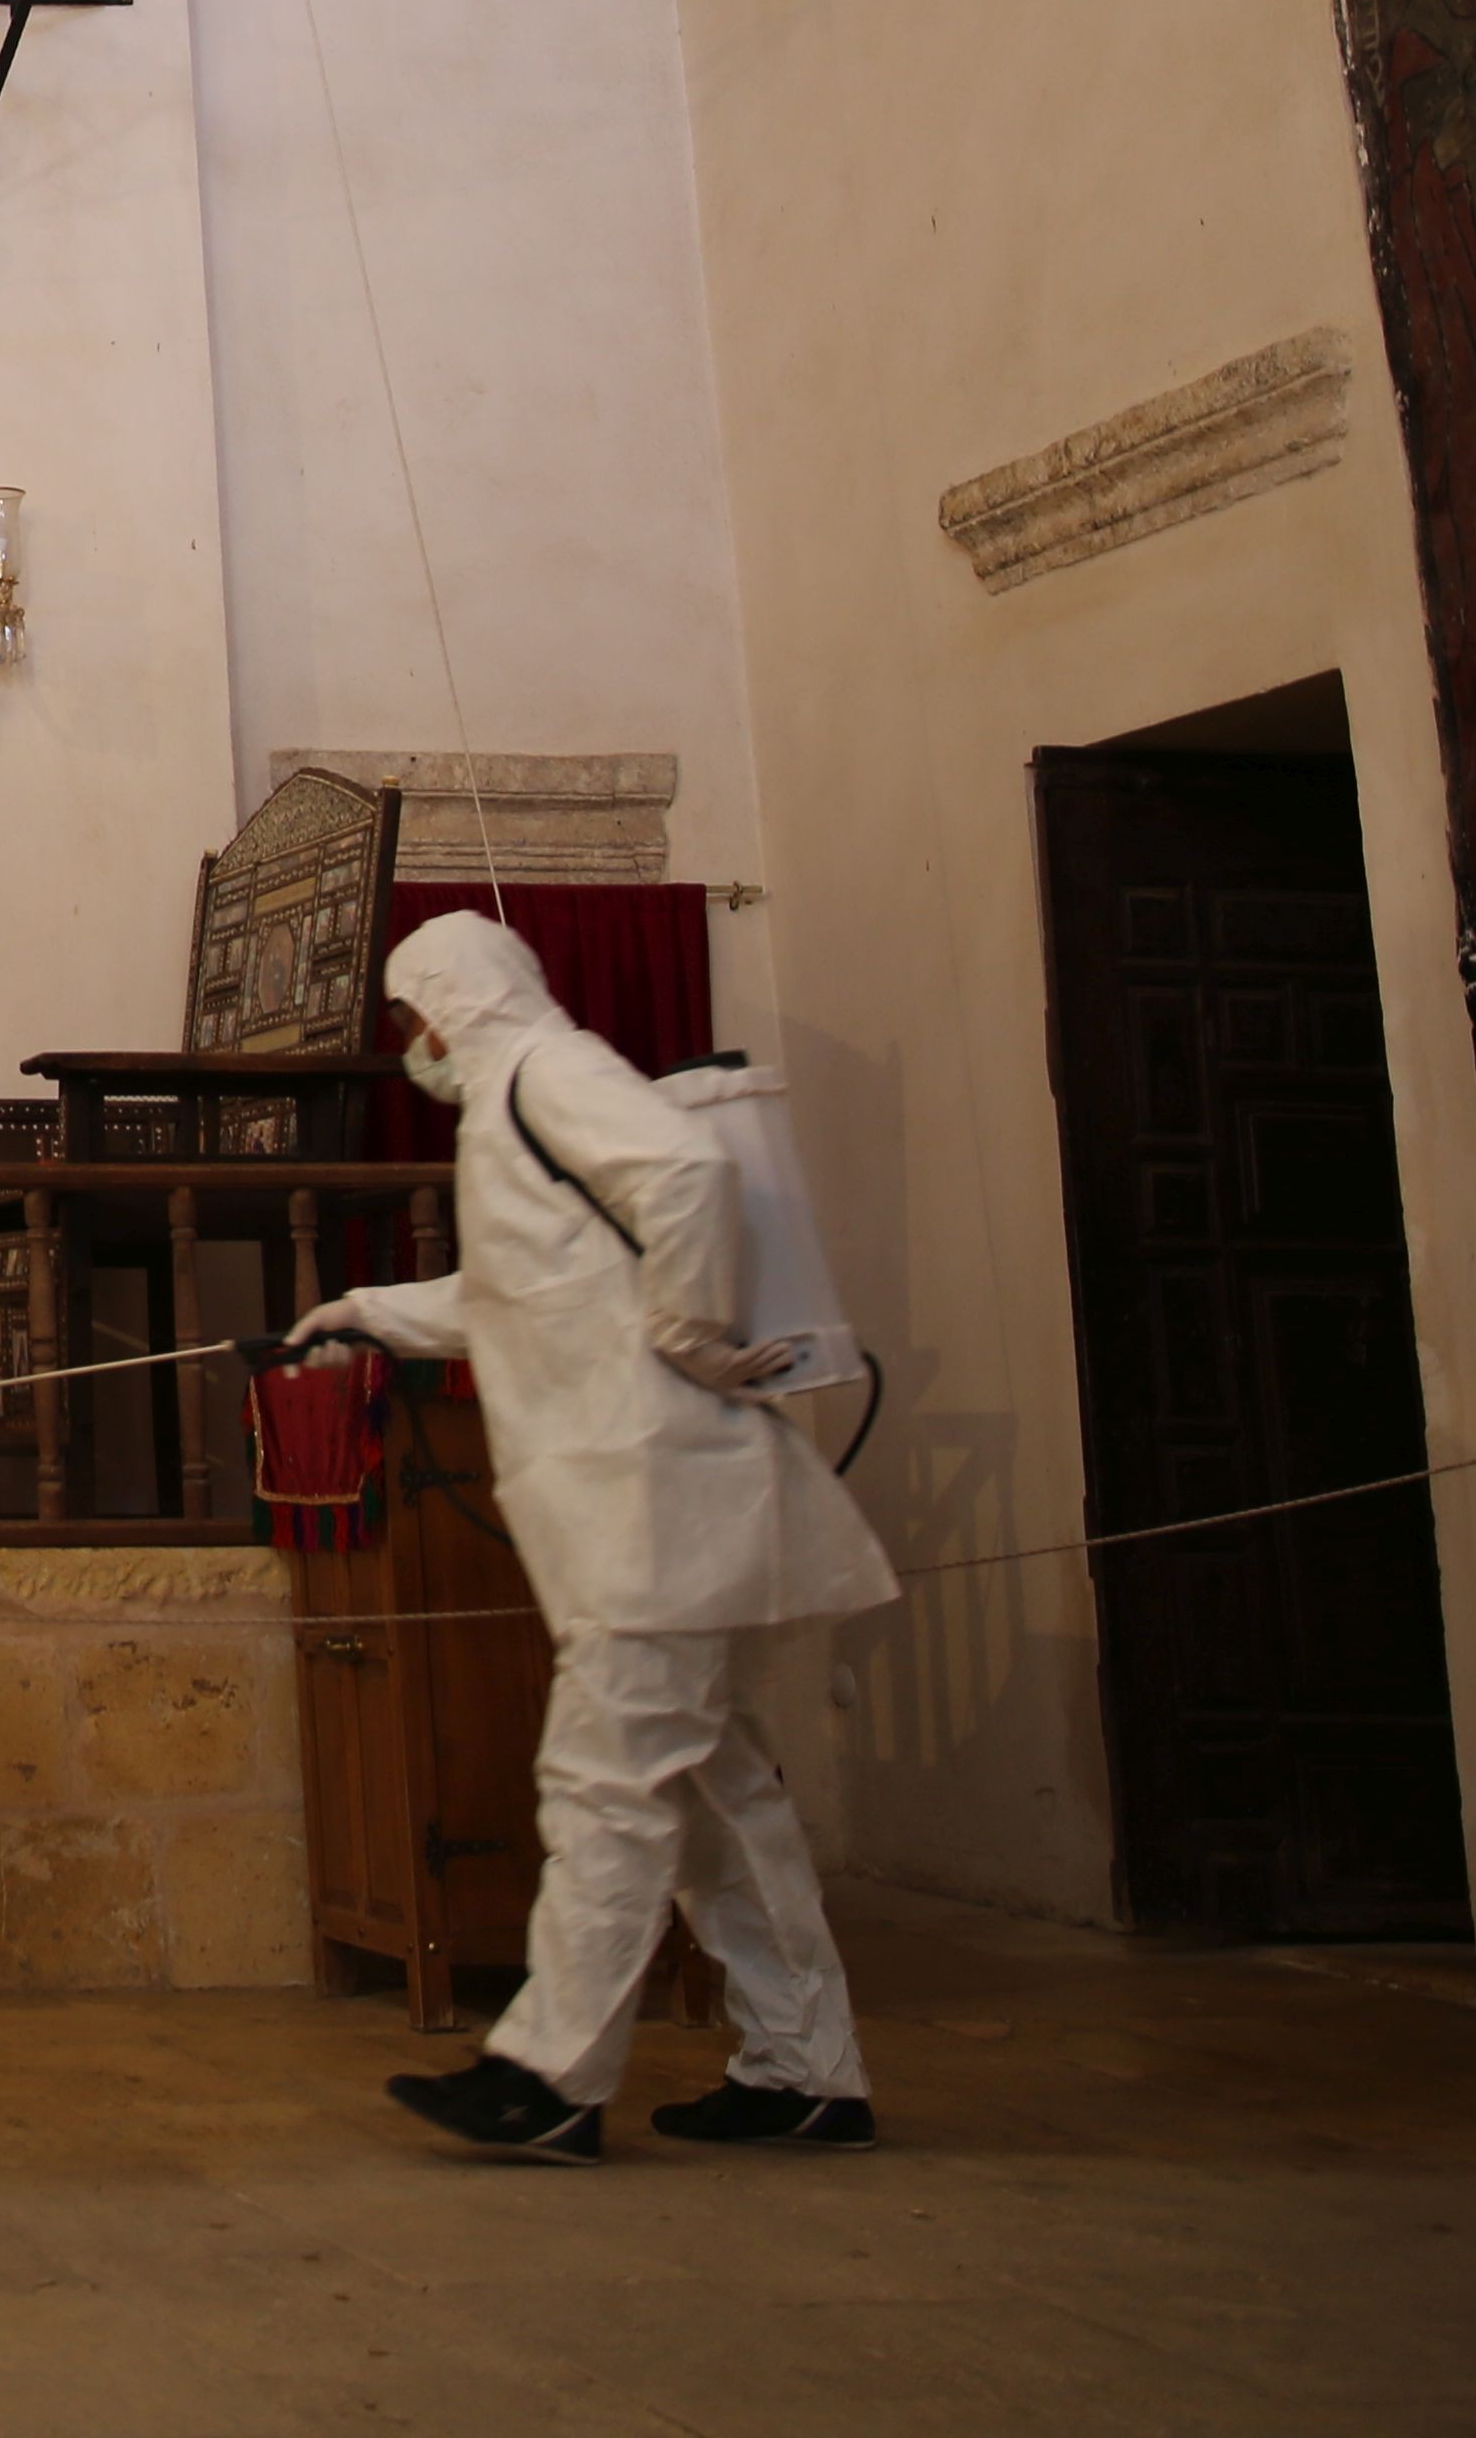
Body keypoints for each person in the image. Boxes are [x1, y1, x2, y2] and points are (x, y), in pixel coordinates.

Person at [295, 910, 894, 2164]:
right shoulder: (516, 1100)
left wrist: (688, 1327)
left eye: (410, 1019)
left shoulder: (549, 1071)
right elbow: (522, 1292)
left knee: (604, 1789)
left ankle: (549, 2077)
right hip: (653, 1514)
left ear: (451, 1003)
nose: (410, 1045)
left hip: (656, 1512)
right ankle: (806, 2072)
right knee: (724, 1806)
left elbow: (686, 1178)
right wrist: (360, 1312)